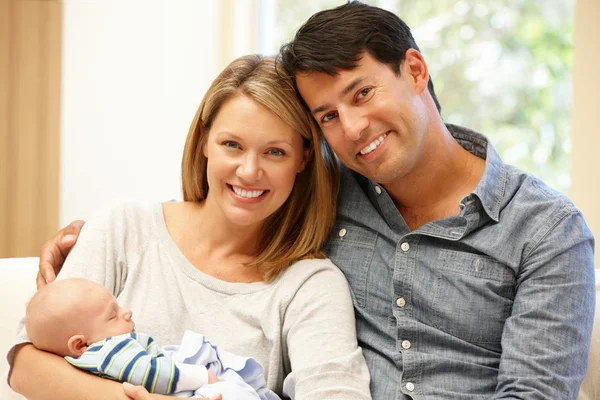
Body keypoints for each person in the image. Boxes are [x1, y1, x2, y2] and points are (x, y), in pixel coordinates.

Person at [28, 1, 597, 399]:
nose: (351, 128)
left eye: (363, 93)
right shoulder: (329, 191)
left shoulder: (547, 232)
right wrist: (84, 238)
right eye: (328, 116)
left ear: (416, 70)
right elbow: (240, 186)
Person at [8, 54, 372, 400]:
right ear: (204, 141)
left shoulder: (310, 285)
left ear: (303, 158)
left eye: (275, 151)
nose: (249, 170)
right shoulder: (124, 228)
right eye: (232, 145)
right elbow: (26, 367)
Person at [25, 278, 279, 400]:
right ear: (81, 344)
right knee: (229, 390)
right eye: (113, 316)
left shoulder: (90, 358)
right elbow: (148, 372)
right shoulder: (106, 352)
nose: (127, 312)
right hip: (182, 389)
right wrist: (202, 376)